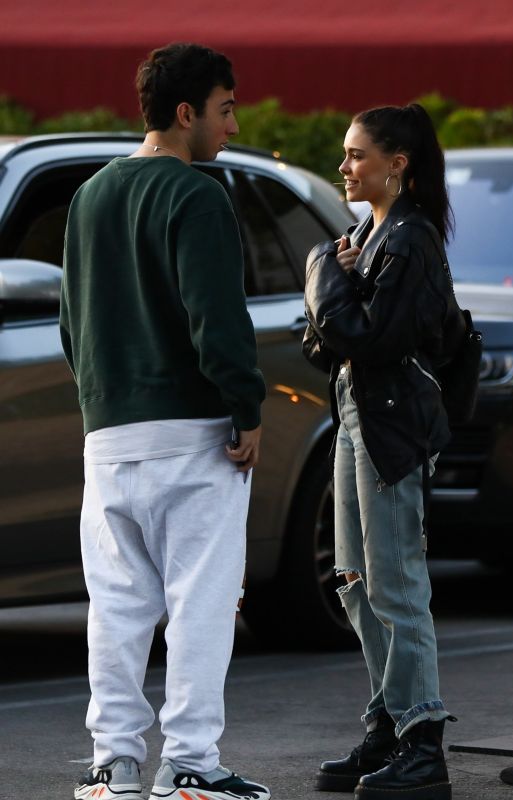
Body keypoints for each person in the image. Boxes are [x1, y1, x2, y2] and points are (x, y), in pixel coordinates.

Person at [60, 42, 269, 800]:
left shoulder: (88, 197)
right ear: (187, 113)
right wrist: (246, 406)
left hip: (109, 433)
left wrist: (99, 401)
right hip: (194, 431)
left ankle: (113, 768)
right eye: (225, 108)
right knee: (200, 602)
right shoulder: (197, 194)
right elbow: (218, 318)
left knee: (116, 607)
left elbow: (70, 321)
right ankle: (190, 767)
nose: (234, 125)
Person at [303, 104, 466, 800]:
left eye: (357, 155)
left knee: (395, 582)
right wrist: (333, 286)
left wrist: (321, 274)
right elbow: (321, 344)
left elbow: (371, 339)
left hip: (393, 421)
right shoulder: (361, 237)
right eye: (345, 155)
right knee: (354, 581)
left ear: (398, 162)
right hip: (354, 410)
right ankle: (389, 723)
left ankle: (422, 743)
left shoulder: (409, 239)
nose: (345, 167)